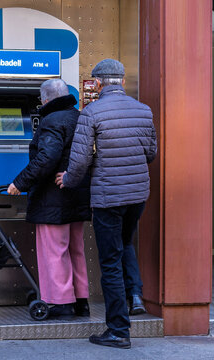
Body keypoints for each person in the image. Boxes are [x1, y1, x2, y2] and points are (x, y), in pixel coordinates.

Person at [55, 59, 157, 349]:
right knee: (124, 245)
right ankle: (134, 295)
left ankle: (118, 330)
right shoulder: (144, 110)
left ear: (97, 84)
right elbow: (150, 153)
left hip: (108, 198)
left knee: (109, 262)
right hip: (137, 196)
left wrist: (68, 180)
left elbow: (80, 160)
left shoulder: (92, 112)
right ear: (122, 82)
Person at [7, 79, 92, 319]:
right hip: (77, 194)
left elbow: (47, 158)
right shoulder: (79, 118)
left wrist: (20, 183)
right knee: (76, 248)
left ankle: (60, 302)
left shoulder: (51, 120)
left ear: (45, 99)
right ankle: (81, 300)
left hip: (53, 197)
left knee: (54, 250)